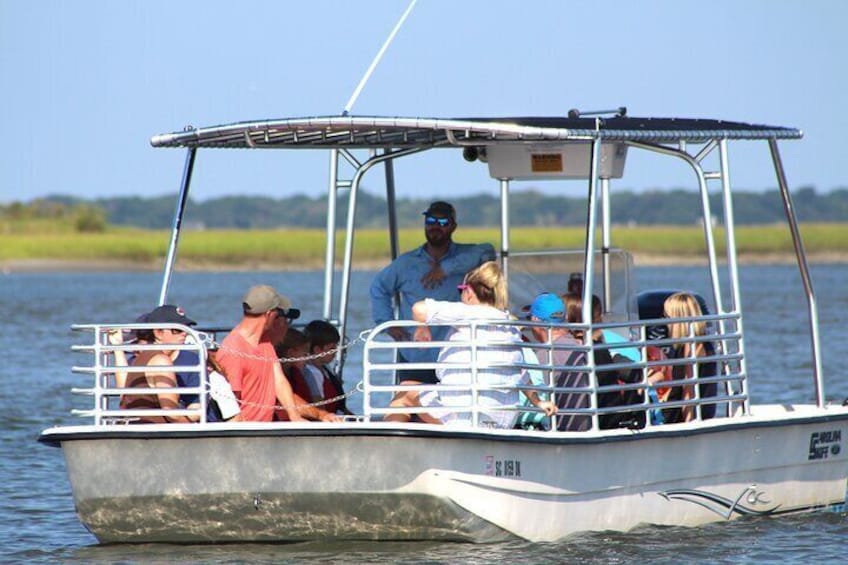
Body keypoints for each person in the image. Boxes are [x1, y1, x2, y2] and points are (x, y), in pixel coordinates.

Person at [386, 261, 555, 427]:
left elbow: (418, 309)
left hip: (461, 416)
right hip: (502, 419)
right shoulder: (510, 324)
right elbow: (521, 373)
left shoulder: (466, 312)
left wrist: (423, 327)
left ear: (469, 292)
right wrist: (538, 402)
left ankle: (388, 447)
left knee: (406, 389)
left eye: (461, 290)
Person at [370, 201, 496, 384]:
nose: (435, 226)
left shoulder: (467, 256)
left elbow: (488, 251)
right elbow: (379, 288)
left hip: (456, 355)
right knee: (411, 405)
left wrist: (446, 268)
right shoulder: (406, 262)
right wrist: (388, 323)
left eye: (443, 222)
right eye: (430, 220)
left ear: (453, 226)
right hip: (415, 355)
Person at [216, 285, 309, 422]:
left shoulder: (264, 341)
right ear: (269, 314)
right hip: (247, 431)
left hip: (265, 428)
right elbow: (231, 402)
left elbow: (279, 380)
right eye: (278, 314)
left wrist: (294, 416)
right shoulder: (233, 349)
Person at [119, 305, 199, 424]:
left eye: (186, 328)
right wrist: (194, 429)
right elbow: (172, 414)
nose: (184, 334)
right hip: (152, 431)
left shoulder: (142, 357)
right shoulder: (161, 361)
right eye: (177, 329)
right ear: (158, 333)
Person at [524, 293, 590, 431]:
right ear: (564, 318)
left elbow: (535, 399)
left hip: (562, 427)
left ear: (535, 321)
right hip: (587, 421)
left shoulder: (543, 357)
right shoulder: (581, 346)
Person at [662, 292, 719, 423]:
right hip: (694, 409)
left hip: (677, 415)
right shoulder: (702, 342)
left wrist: (688, 423)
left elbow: (689, 389)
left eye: (667, 316)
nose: (665, 321)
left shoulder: (691, 346)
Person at [303, 320, 352, 416]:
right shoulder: (313, 373)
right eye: (332, 348)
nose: (335, 352)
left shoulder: (325, 369)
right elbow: (319, 407)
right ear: (317, 350)